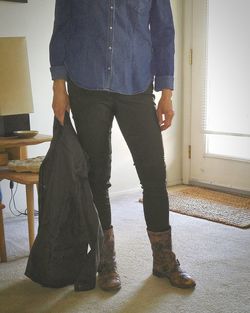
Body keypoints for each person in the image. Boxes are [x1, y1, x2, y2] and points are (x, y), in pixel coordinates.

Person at [50, 0, 196, 291]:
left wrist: (167, 92)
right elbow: (62, 27)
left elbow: (164, 31)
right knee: (96, 175)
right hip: (87, 84)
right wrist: (58, 87)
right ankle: (105, 261)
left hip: (136, 82)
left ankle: (163, 259)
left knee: (153, 172)